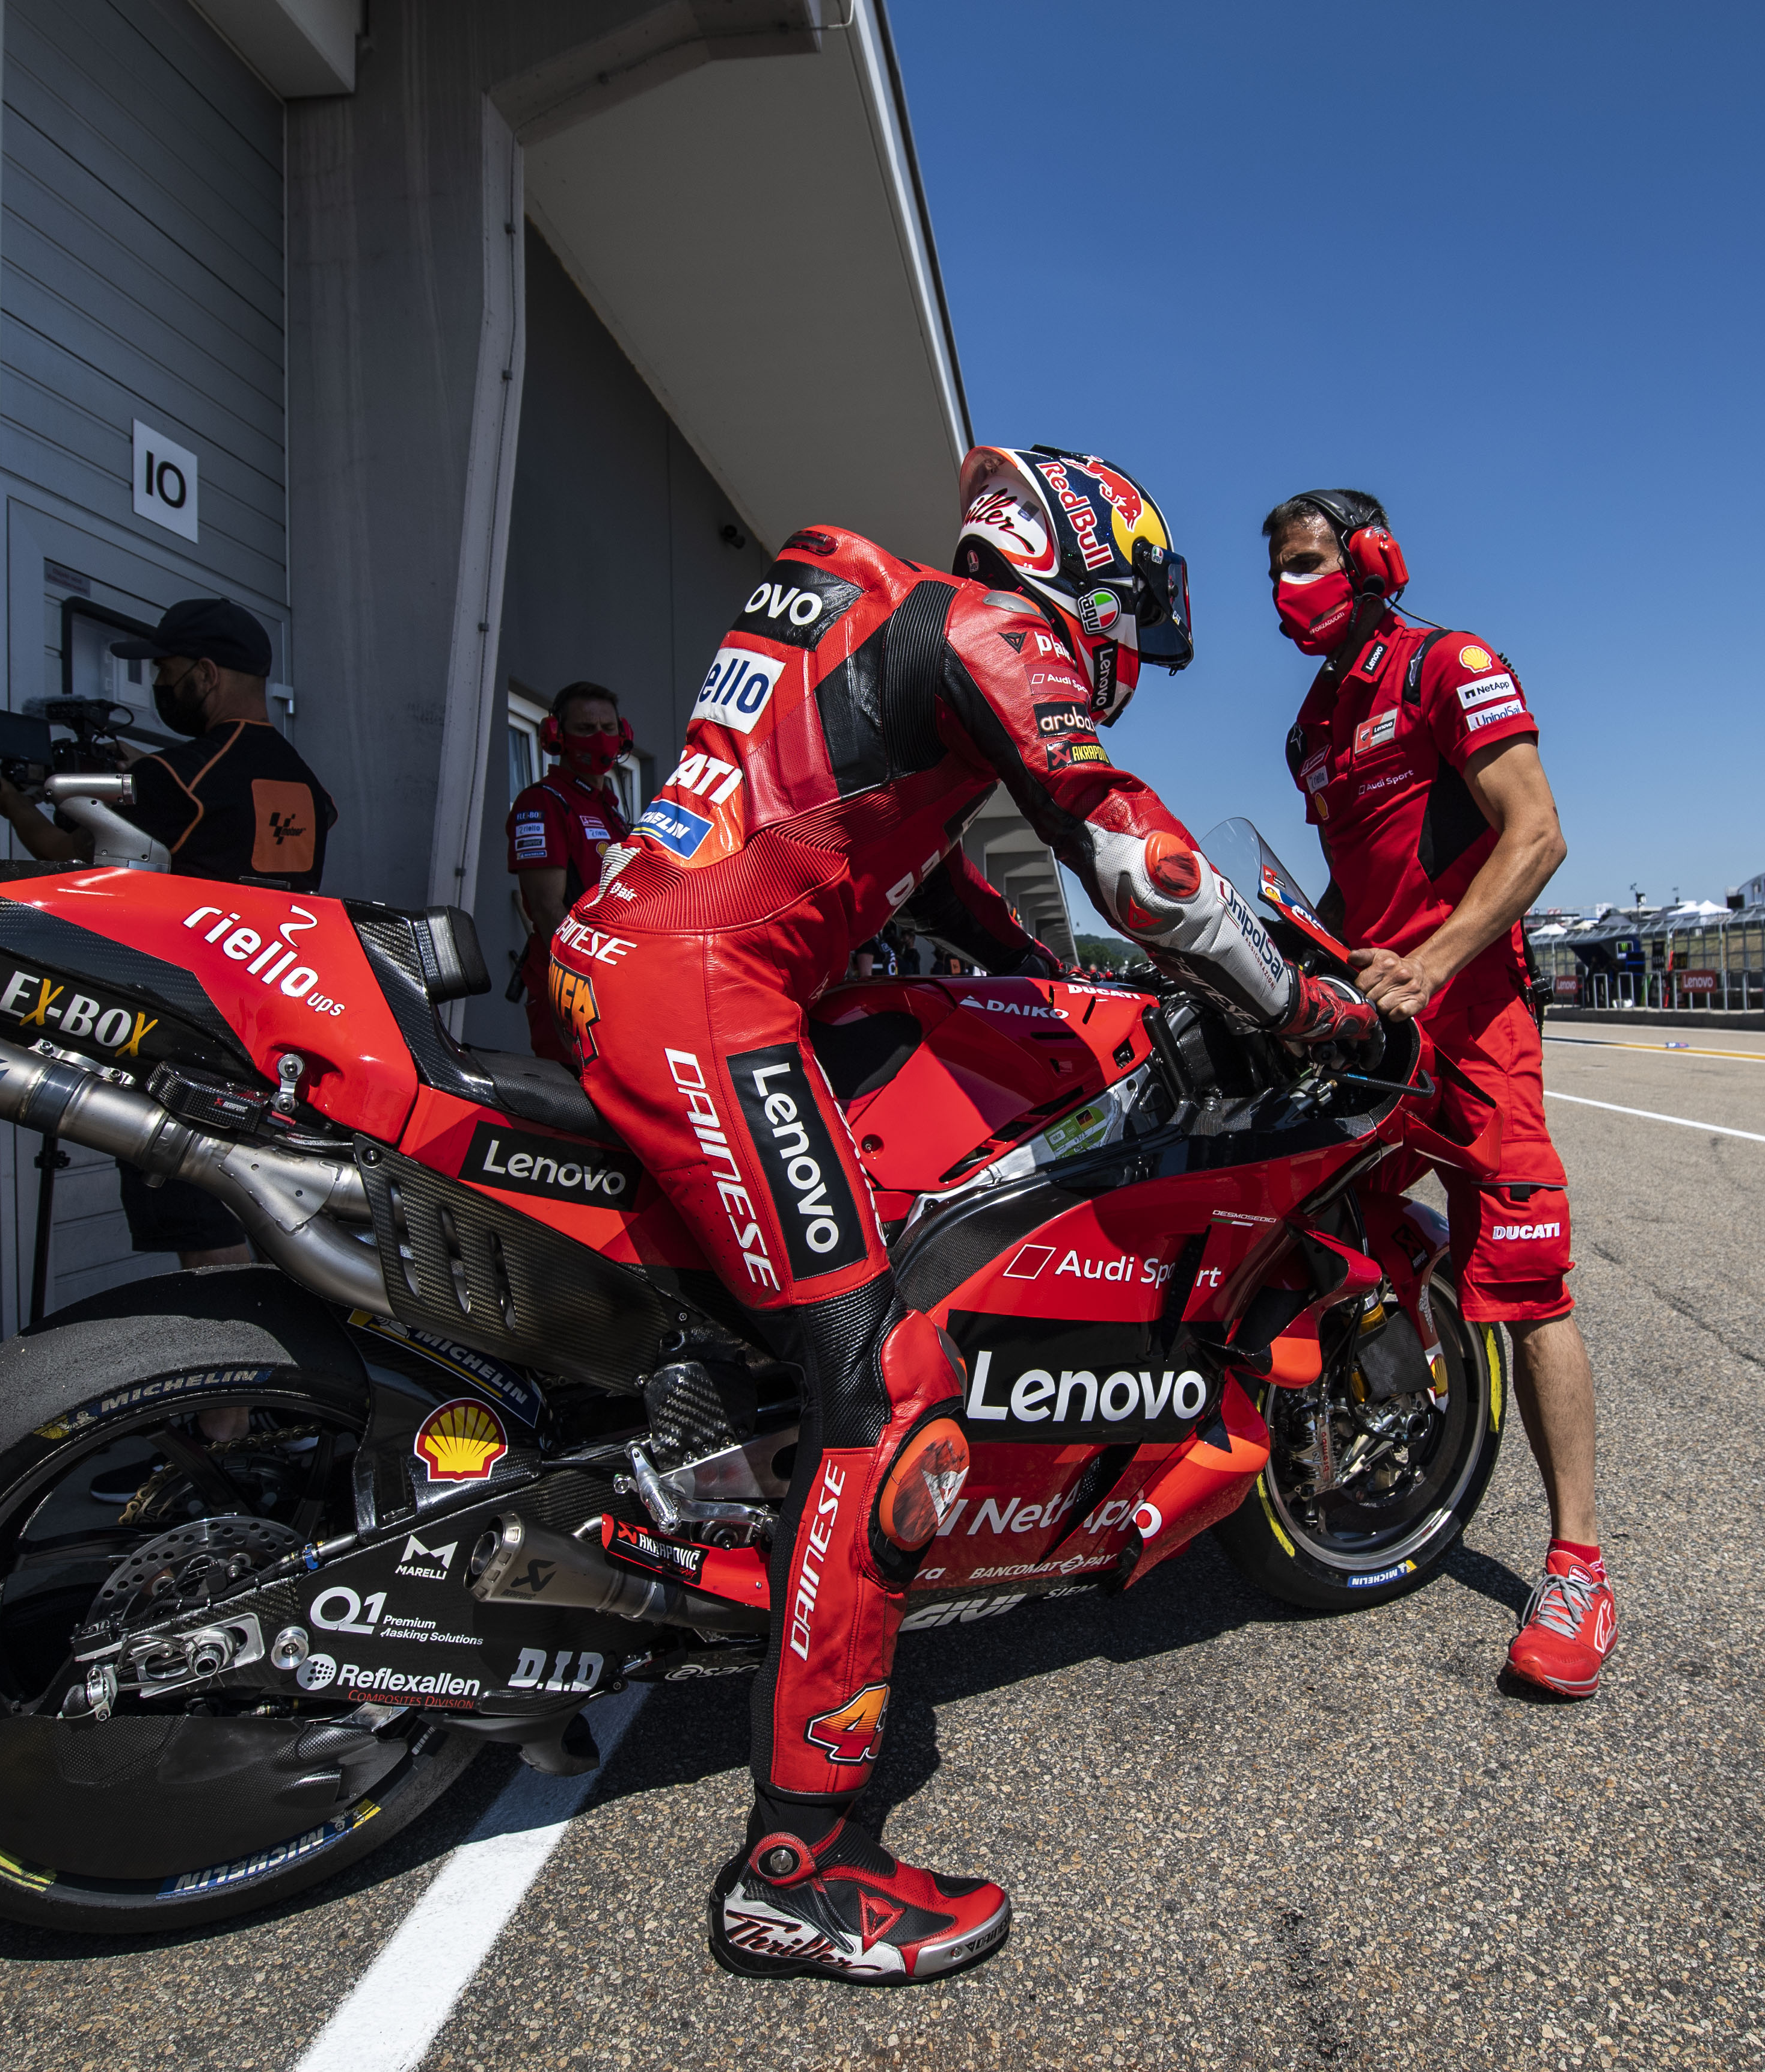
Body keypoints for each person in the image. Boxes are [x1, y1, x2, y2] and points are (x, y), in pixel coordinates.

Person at [549, 446, 1375, 1986]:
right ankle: (799, 1865)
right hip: (706, 994)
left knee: (795, 1300)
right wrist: (1292, 1001)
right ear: (1079, 572)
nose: (1126, 652)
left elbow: (932, 882)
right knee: (888, 1383)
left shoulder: (877, 633)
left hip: (633, 959)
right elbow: (1137, 855)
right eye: (1130, 612)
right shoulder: (988, 631)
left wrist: (1068, 985)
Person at [1262, 487, 1615, 1701]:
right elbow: (1352, 886)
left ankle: (1576, 1566)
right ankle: (1400, 1364)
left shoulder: (1446, 665)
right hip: (1376, 1027)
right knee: (1298, 1212)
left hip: (1471, 1020)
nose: (1287, 593)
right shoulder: (1308, 730)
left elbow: (1537, 834)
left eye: (1307, 563)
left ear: (1372, 559)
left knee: (1525, 1281)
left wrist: (1433, 961)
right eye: (1276, 574)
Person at [0, 595, 337, 1273]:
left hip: (188, 1027)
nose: (160, 685)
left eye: (165, 671)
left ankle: (233, 1339)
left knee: (200, 1220)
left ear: (205, 672)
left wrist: (10, 802)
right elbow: (220, 804)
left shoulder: (175, 779)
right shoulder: (303, 782)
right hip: (277, 1018)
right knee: (268, 1208)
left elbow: (64, 851)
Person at [503, 682, 633, 1058]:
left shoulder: (611, 811)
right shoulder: (542, 803)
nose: (600, 738)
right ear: (556, 736)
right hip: (573, 983)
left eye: (608, 728)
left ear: (623, 734)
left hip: (614, 980)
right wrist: (595, 977)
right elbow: (547, 909)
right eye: (586, 729)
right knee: (578, 1087)